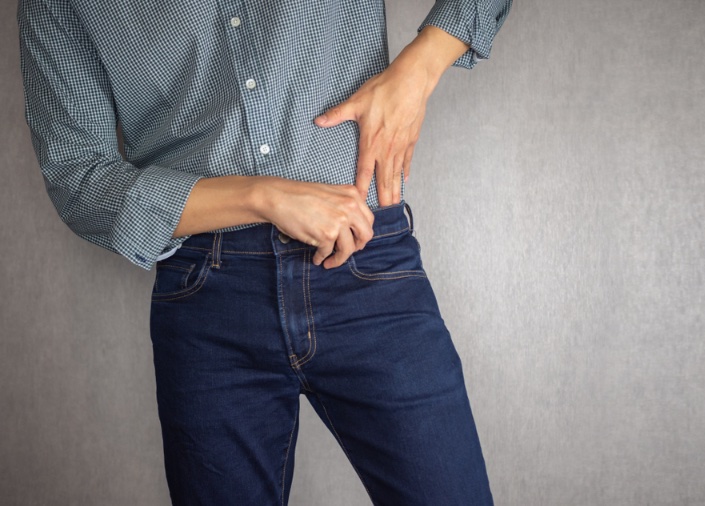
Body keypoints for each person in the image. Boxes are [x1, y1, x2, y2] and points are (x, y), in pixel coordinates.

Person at [18, 0, 513, 504]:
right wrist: (262, 195)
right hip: (208, 301)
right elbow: (78, 177)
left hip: (369, 269)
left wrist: (420, 67)